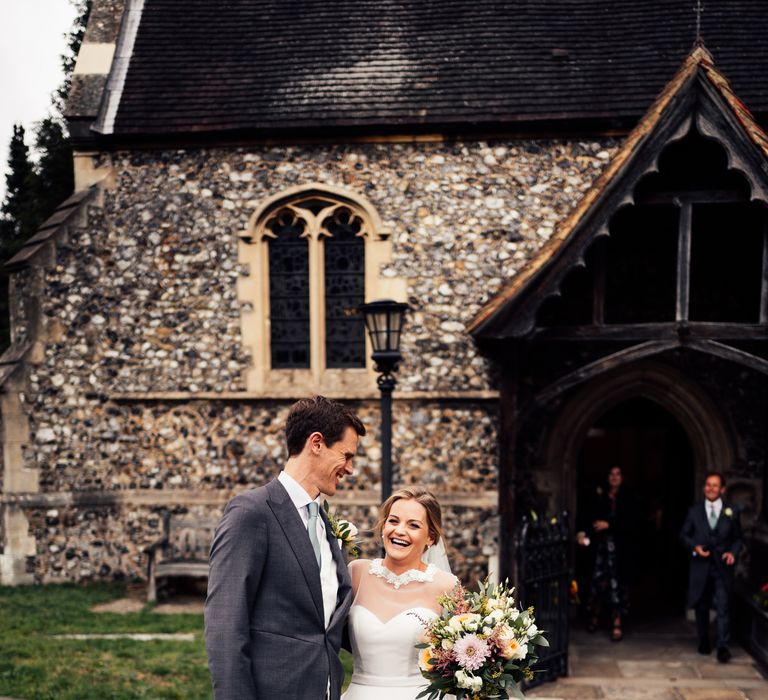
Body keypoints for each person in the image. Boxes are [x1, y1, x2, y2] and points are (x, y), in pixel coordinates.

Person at [204, 396, 366, 699]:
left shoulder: (326, 525)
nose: (350, 469)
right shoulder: (251, 513)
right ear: (316, 443)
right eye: (346, 456)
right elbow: (225, 625)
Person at [342, 488, 458, 700]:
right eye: (393, 521)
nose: (399, 531)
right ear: (384, 525)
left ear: (431, 537)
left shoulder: (447, 586)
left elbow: (461, 659)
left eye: (413, 525)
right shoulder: (356, 573)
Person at [680, 471, 742, 663]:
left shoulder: (732, 511)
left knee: (723, 606)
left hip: (722, 566)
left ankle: (723, 646)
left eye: (715, 485)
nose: (711, 488)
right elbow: (684, 535)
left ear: (722, 489)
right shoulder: (694, 511)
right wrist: (694, 547)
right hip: (701, 565)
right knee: (702, 605)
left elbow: (738, 538)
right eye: (708, 484)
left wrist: (733, 552)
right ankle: (704, 639)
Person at [576, 465, 636, 642]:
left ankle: (617, 623)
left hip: (619, 551)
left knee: (617, 586)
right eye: (611, 474)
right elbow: (587, 517)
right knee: (597, 584)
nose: (614, 477)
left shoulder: (628, 497)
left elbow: (633, 522)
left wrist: (610, 525)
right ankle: (593, 618)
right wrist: (583, 532)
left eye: (618, 474)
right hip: (599, 550)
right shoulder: (599, 496)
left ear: (623, 477)